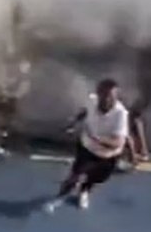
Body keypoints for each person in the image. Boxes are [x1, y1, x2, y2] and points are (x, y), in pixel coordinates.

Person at [45, 78, 129, 212]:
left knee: (96, 178)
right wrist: (73, 122)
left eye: (111, 97)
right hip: (87, 147)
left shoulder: (121, 114)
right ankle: (60, 196)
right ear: (98, 94)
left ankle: (84, 191)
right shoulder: (92, 100)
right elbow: (84, 111)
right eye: (104, 95)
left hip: (108, 155)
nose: (107, 99)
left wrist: (98, 139)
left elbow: (118, 142)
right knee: (75, 173)